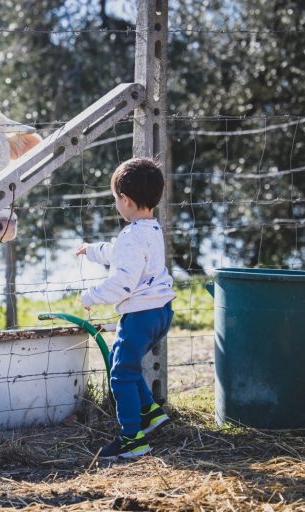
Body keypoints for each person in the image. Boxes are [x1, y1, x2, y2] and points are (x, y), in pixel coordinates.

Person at [75, 157, 176, 459]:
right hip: (161, 313)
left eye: (116, 198)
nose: (116, 204)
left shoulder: (132, 236)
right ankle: (149, 412)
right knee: (129, 364)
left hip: (140, 316)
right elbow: (120, 253)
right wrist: (91, 251)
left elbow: (123, 282)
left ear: (127, 200)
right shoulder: (151, 229)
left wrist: (90, 296)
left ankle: (132, 437)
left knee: (120, 373)